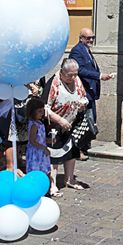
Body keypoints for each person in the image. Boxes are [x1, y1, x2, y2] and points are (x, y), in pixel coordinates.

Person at [43, 58, 88, 194]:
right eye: (70, 75)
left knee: (72, 152)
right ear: (62, 72)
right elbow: (45, 108)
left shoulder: (76, 79)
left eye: (75, 74)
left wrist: (82, 104)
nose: (73, 77)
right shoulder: (54, 83)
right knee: (54, 154)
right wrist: (60, 120)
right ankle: (52, 184)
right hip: (55, 125)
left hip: (72, 122)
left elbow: (83, 95)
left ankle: (69, 179)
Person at [68, 28, 113, 160]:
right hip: (83, 92)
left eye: (92, 37)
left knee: (90, 119)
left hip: (90, 92)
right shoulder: (77, 50)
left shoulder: (86, 50)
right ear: (81, 38)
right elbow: (79, 70)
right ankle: (78, 149)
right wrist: (99, 76)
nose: (91, 40)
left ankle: (85, 146)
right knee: (83, 120)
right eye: (88, 38)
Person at [25, 98, 54, 193]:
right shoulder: (34, 125)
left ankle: (43, 188)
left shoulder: (40, 123)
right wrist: (43, 148)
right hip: (35, 153)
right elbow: (32, 140)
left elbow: (40, 138)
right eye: (39, 111)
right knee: (36, 171)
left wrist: (48, 140)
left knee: (43, 170)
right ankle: (35, 189)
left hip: (40, 151)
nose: (42, 113)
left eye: (43, 111)